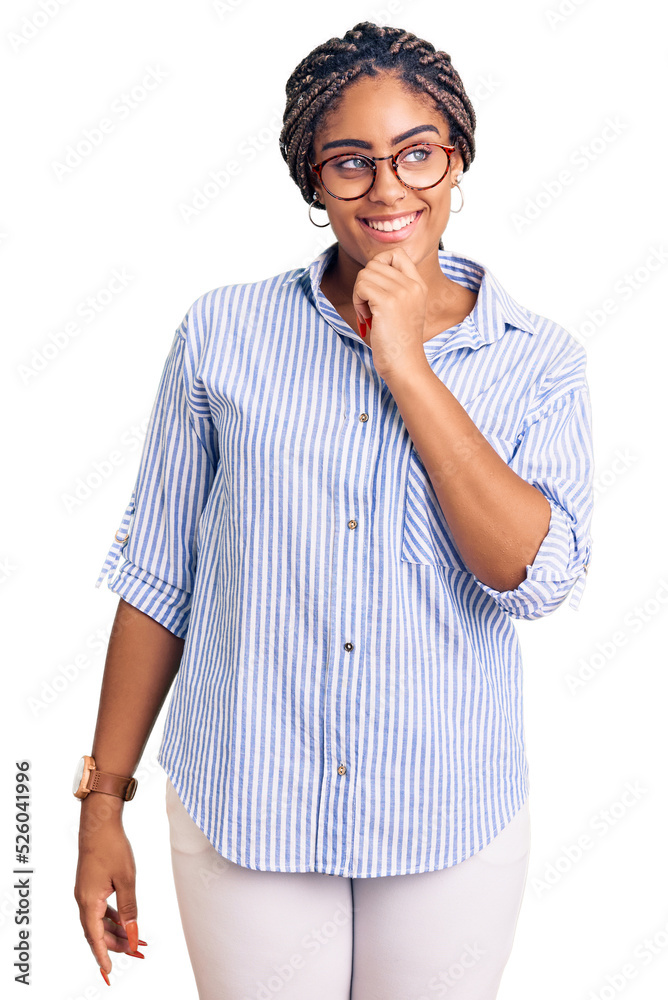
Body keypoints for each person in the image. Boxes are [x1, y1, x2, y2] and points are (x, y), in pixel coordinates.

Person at [73, 20, 594, 1000]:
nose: (387, 189)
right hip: (247, 801)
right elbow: (157, 582)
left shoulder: (538, 358)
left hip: (447, 814)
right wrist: (102, 805)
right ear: (312, 181)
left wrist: (404, 362)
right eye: (349, 163)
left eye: (415, 153)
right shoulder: (222, 333)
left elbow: (534, 576)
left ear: (456, 160)